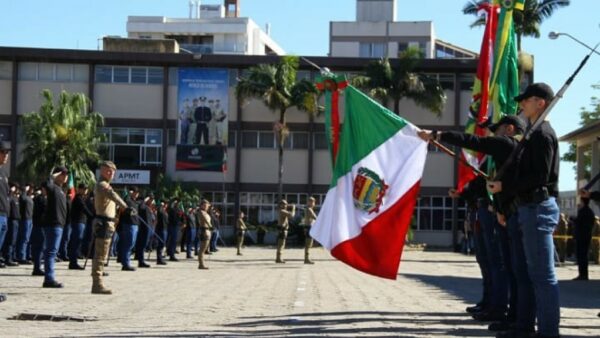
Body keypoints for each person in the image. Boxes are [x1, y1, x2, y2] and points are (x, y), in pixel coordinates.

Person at [487, 83, 560, 338]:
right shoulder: (534, 133)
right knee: (533, 275)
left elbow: (539, 176)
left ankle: (548, 332)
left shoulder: (542, 134)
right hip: (530, 207)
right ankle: (528, 326)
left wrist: (504, 185)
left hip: (538, 207)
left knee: (542, 277)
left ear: (540, 103)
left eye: (526, 100)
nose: (521, 105)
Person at [92, 160, 129, 295]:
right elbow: (113, 196)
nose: (111, 173)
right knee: (100, 255)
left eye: (113, 171)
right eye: (108, 170)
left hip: (108, 223)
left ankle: (99, 280)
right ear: (102, 171)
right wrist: (126, 206)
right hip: (103, 223)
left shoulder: (105, 185)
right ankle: (97, 284)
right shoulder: (102, 185)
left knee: (103, 253)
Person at [41, 166, 70, 288]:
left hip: (59, 224)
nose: (65, 176)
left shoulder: (60, 189)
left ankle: (49, 277)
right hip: (53, 224)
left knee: (52, 251)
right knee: (51, 252)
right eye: (62, 174)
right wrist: (53, 175)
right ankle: (49, 279)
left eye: (66, 174)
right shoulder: (52, 187)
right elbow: (45, 183)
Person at [68, 184, 94, 270]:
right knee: (76, 242)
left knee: (78, 242)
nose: (85, 190)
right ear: (79, 189)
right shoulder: (78, 198)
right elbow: (84, 209)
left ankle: (74, 261)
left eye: (86, 189)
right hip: (78, 222)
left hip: (82, 222)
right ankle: (73, 262)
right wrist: (93, 217)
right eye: (83, 189)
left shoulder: (82, 198)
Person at [118, 186, 140, 271]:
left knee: (131, 244)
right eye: (135, 192)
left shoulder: (135, 202)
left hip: (135, 224)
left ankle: (127, 261)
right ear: (131, 192)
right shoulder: (127, 201)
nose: (136, 194)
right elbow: (124, 207)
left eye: (137, 192)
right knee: (128, 244)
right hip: (129, 225)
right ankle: (125, 264)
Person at [573, 197, 594, 280]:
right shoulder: (590, 212)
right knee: (583, 256)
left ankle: (583, 275)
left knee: (581, 256)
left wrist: (573, 220)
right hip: (586, 236)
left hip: (582, 237)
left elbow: (579, 222)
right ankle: (583, 274)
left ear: (582, 202)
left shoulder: (582, 211)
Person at [0, 142, 11, 302]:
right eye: (3, 152)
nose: (6, 155)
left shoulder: (2, 173)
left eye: (7, 152)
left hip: (3, 215)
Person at [16, 183, 33, 265]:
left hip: (30, 219)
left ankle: (26, 255)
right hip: (25, 219)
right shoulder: (23, 197)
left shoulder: (29, 198)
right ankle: (21, 257)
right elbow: (22, 199)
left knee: (27, 239)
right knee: (24, 238)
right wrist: (24, 190)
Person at [30, 187, 46, 276]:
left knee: (39, 248)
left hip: (39, 225)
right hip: (40, 226)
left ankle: (37, 267)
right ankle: (37, 268)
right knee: (39, 248)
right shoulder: (40, 199)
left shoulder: (39, 199)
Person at [3, 183, 20, 266]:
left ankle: (11, 257)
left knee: (13, 240)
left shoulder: (15, 197)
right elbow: (7, 201)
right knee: (10, 240)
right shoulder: (9, 197)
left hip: (17, 220)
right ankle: (7, 258)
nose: (16, 189)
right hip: (11, 220)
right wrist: (10, 191)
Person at [135, 193, 154, 268]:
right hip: (143, 228)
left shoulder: (148, 207)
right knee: (142, 245)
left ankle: (141, 259)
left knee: (144, 245)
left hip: (148, 228)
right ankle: (141, 261)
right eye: (150, 199)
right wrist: (144, 201)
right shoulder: (141, 204)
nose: (151, 201)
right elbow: (140, 207)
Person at [275, 200, 295, 264]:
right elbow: (292, 215)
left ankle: (279, 258)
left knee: (281, 245)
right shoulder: (282, 211)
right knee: (281, 245)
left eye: (286, 204)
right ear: (280, 205)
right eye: (283, 204)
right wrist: (293, 208)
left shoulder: (282, 211)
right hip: (282, 230)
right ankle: (278, 258)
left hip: (283, 230)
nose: (285, 205)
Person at [197, 199, 212, 269]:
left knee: (205, 248)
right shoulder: (201, 212)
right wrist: (210, 225)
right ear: (202, 205)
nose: (207, 207)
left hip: (208, 231)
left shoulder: (206, 213)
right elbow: (205, 220)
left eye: (207, 205)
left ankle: (202, 263)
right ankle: (201, 264)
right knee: (202, 249)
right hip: (204, 231)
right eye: (205, 205)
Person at [302, 197, 318, 264]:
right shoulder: (309, 209)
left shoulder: (309, 209)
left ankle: (307, 258)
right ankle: (306, 259)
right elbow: (315, 217)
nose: (312, 203)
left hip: (308, 227)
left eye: (313, 202)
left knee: (309, 244)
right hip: (309, 227)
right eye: (311, 201)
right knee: (308, 244)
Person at [155, 201, 168, 265]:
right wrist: (160, 206)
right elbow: (159, 211)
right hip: (161, 229)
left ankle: (160, 258)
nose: (166, 205)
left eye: (166, 204)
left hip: (165, 229)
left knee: (162, 244)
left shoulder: (165, 211)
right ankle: (159, 259)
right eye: (165, 204)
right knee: (160, 244)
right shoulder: (160, 210)